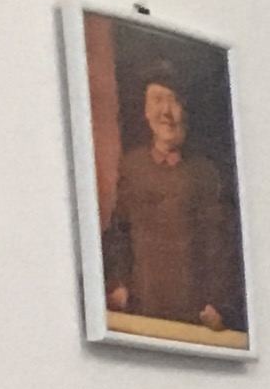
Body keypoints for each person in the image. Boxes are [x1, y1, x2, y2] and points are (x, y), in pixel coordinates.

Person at [101, 70, 244, 333]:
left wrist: (220, 307)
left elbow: (223, 248)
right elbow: (119, 235)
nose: (166, 112)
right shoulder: (132, 167)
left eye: (174, 101)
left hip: (194, 315)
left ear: (185, 111)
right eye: (157, 100)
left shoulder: (207, 174)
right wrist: (118, 285)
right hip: (142, 307)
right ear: (146, 111)